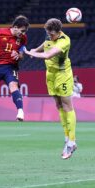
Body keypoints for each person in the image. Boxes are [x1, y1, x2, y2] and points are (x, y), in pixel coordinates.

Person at [24, 18, 77, 159]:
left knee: (67, 106)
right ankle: (66, 138)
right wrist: (35, 49)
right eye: (48, 33)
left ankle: (72, 141)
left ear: (58, 32)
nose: (49, 36)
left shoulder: (64, 41)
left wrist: (31, 53)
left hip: (63, 75)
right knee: (58, 105)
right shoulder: (50, 36)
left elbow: (48, 54)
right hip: (50, 75)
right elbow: (45, 45)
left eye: (51, 34)